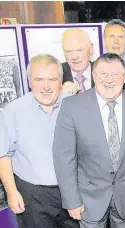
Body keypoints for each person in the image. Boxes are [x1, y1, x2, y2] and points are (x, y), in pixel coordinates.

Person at [53, 53, 125, 228]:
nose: (109, 80)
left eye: (115, 74)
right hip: (88, 197)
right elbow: (64, 158)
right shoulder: (72, 106)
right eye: (103, 74)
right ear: (93, 76)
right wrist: (71, 200)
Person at [0, 54, 79, 228]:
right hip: (32, 196)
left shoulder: (75, 105)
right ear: (29, 82)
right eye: (39, 79)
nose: (46, 87)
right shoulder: (12, 112)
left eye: (52, 79)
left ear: (61, 81)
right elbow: (3, 156)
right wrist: (11, 192)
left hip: (73, 191)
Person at [61, 28, 94, 94]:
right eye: (68, 51)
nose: (74, 57)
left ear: (91, 49)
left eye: (79, 50)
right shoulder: (55, 75)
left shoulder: (105, 72)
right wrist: (60, 96)